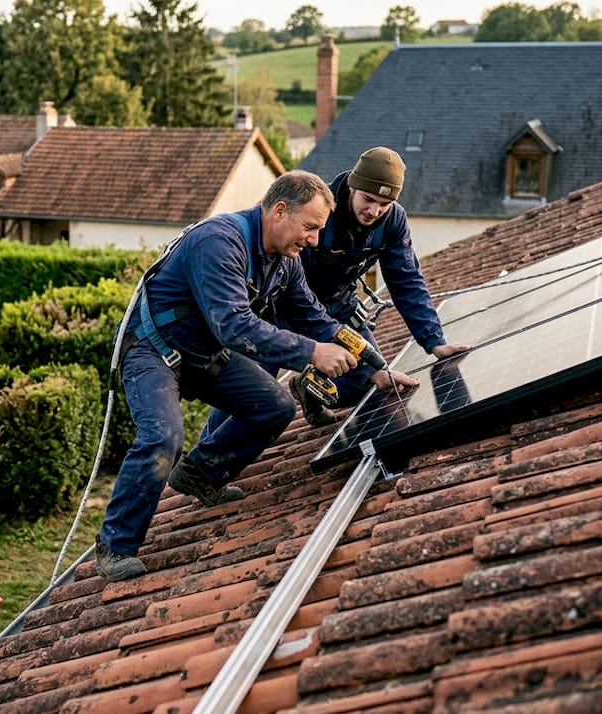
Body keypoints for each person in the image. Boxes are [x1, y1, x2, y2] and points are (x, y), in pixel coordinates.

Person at [94, 170, 361, 581]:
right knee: (163, 437)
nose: (313, 240)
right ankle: (116, 544)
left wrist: (374, 367)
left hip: (202, 353)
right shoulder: (219, 242)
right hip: (152, 348)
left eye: (318, 230)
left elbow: (314, 318)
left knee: (276, 406)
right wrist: (311, 352)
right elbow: (234, 326)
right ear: (279, 210)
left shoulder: (284, 263)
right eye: (309, 227)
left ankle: (201, 474)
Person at [292, 147, 470, 426]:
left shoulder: (393, 221)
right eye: (368, 199)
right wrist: (331, 340)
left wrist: (434, 341)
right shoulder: (320, 211)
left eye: (384, 204)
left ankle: (310, 387)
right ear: (352, 186)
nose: (374, 211)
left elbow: (406, 281)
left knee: (373, 382)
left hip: (340, 303)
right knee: (258, 397)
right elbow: (290, 284)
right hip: (292, 304)